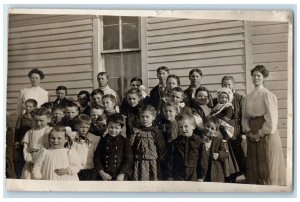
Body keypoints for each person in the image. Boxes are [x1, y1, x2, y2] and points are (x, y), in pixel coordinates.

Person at [242, 65, 286, 185]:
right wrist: (248, 130)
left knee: (267, 164)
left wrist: (260, 133)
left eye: (259, 76)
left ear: (263, 78)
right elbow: (245, 117)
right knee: (254, 166)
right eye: (254, 75)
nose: (256, 78)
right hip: (252, 132)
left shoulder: (268, 95)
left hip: (266, 133)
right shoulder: (247, 97)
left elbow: (272, 120)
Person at [219, 76, 246, 181]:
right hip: (223, 132)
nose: (227, 86)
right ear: (222, 85)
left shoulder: (239, 98)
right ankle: (229, 177)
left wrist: (243, 132)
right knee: (227, 156)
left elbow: (243, 116)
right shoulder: (219, 98)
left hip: (236, 131)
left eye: (229, 84)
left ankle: (241, 176)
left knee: (238, 154)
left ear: (233, 85)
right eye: (225, 84)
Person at [210, 87, 239, 182]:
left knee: (224, 150)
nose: (223, 99)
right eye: (221, 97)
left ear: (228, 98)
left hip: (223, 130)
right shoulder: (216, 107)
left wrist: (218, 119)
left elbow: (227, 117)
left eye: (225, 97)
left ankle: (228, 173)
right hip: (216, 130)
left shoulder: (228, 106)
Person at [130, 105, 167, 181]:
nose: (144, 119)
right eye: (142, 116)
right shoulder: (136, 132)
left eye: (147, 117)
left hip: (153, 164)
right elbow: (131, 148)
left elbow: (162, 150)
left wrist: (161, 166)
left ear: (153, 117)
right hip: (138, 164)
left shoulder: (156, 132)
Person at [94, 114, 133, 181]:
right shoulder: (103, 140)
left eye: (116, 128)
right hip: (105, 176)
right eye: (111, 127)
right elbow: (97, 158)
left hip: (120, 176)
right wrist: (101, 172)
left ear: (121, 128)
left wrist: (122, 174)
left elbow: (128, 159)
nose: (113, 130)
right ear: (107, 126)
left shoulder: (125, 141)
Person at [21, 107, 52, 179]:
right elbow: (26, 148)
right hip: (31, 161)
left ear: (49, 119)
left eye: (41, 121)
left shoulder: (50, 131)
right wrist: (28, 159)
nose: (38, 123)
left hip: (44, 162)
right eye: (36, 120)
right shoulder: (30, 132)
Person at [170, 114, 202, 181]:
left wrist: (201, 176)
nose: (183, 129)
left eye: (186, 126)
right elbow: (171, 159)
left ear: (193, 126)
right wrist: (170, 175)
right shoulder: (176, 142)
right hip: (178, 172)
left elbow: (202, 160)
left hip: (193, 172)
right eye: (181, 127)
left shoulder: (199, 141)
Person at [70, 114, 100, 181]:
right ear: (76, 126)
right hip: (74, 170)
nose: (84, 130)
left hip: (89, 170)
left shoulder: (94, 139)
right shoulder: (71, 137)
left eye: (87, 127)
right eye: (82, 127)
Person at [198, 116, 228, 182]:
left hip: (215, 172)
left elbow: (225, 153)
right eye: (207, 126)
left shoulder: (218, 140)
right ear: (204, 124)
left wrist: (219, 155)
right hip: (202, 171)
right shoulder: (198, 138)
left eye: (212, 128)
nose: (209, 129)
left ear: (215, 130)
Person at [14, 99, 37, 178]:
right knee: (23, 160)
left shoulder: (37, 116)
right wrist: (16, 142)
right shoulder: (21, 117)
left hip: (34, 141)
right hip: (23, 142)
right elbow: (17, 130)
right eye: (26, 106)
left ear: (35, 107)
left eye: (30, 106)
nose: (27, 108)